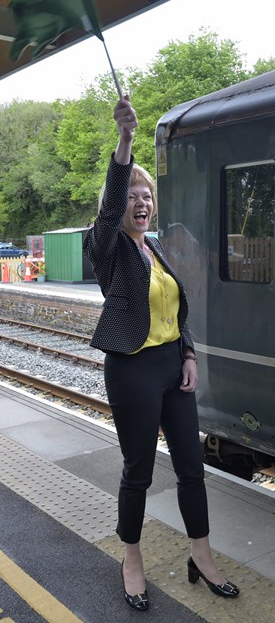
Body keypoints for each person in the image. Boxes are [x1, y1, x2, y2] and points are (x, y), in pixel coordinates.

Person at [83, 96, 239, 611]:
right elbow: (108, 213)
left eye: (147, 194)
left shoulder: (156, 248)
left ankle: (202, 555)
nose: (141, 201)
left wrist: (189, 354)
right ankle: (132, 559)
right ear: (117, 201)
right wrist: (125, 142)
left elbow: (177, 308)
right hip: (132, 370)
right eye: (132, 194)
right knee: (140, 471)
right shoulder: (106, 246)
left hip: (173, 368)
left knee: (192, 467)